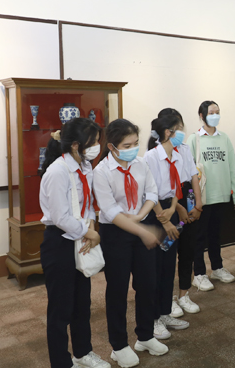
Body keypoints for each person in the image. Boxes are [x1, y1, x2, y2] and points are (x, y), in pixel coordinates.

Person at [93, 119, 169, 366]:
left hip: (139, 223)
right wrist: (141, 229)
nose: (133, 148)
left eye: (136, 143)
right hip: (115, 233)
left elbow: (152, 193)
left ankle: (145, 335)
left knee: (148, 283)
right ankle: (119, 345)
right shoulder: (101, 172)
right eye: (127, 144)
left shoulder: (140, 163)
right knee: (117, 289)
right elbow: (111, 212)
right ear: (112, 147)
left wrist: (139, 217)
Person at [39, 118, 110, 368]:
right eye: (93, 143)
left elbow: (89, 204)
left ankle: (83, 353)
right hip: (59, 242)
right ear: (75, 145)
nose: (97, 147)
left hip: (81, 236)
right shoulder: (58, 171)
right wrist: (89, 233)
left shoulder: (86, 166)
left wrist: (90, 227)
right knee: (60, 309)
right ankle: (61, 362)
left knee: (82, 303)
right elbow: (60, 217)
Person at [143, 113, 190, 340]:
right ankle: (152, 319)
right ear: (168, 132)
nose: (182, 133)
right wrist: (166, 219)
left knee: (168, 265)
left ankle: (164, 312)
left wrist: (173, 209)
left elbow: (177, 188)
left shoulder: (177, 157)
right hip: (155, 215)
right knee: (154, 269)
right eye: (179, 129)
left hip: (169, 211)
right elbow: (148, 194)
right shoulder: (150, 157)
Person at [188, 100, 235, 291]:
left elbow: (231, 168)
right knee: (199, 237)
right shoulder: (194, 139)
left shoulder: (224, 138)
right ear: (202, 116)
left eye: (217, 112)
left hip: (222, 195)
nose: (215, 115)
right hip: (204, 198)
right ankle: (199, 274)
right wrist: (193, 202)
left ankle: (217, 268)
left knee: (216, 236)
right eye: (211, 112)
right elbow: (190, 172)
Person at [156, 109, 203, 318]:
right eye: (178, 129)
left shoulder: (184, 149)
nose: (182, 132)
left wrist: (198, 204)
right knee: (168, 250)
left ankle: (184, 293)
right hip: (169, 205)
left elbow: (193, 177)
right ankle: (167, 299)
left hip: (186, 197)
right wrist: (180, 208)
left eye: (183, 127)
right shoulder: (155, 151)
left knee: (188, 249)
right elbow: (162, 189)